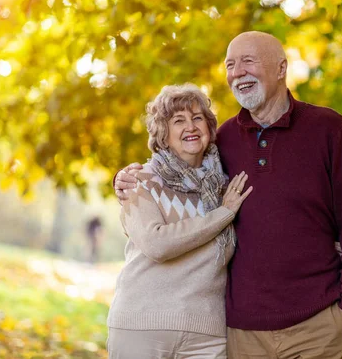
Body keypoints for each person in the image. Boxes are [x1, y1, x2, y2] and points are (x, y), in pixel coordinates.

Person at [115, 31, 342, 359]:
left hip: (320, 323)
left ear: (281, 68)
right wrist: (124, 178)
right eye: (230, 65)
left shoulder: (328, 129)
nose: (238, 72)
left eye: (248, 61)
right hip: (243, 333)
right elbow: (172, 163)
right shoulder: (221, 140)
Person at [107, 83, 252, 359]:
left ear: (209, 129)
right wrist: (222, 214)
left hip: (207, 335)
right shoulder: (139, 181)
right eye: (179, 121)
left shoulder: (225, 187)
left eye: (198, 118)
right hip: (142, 327)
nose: (191, 126)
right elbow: (157, 243)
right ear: (164, 132)